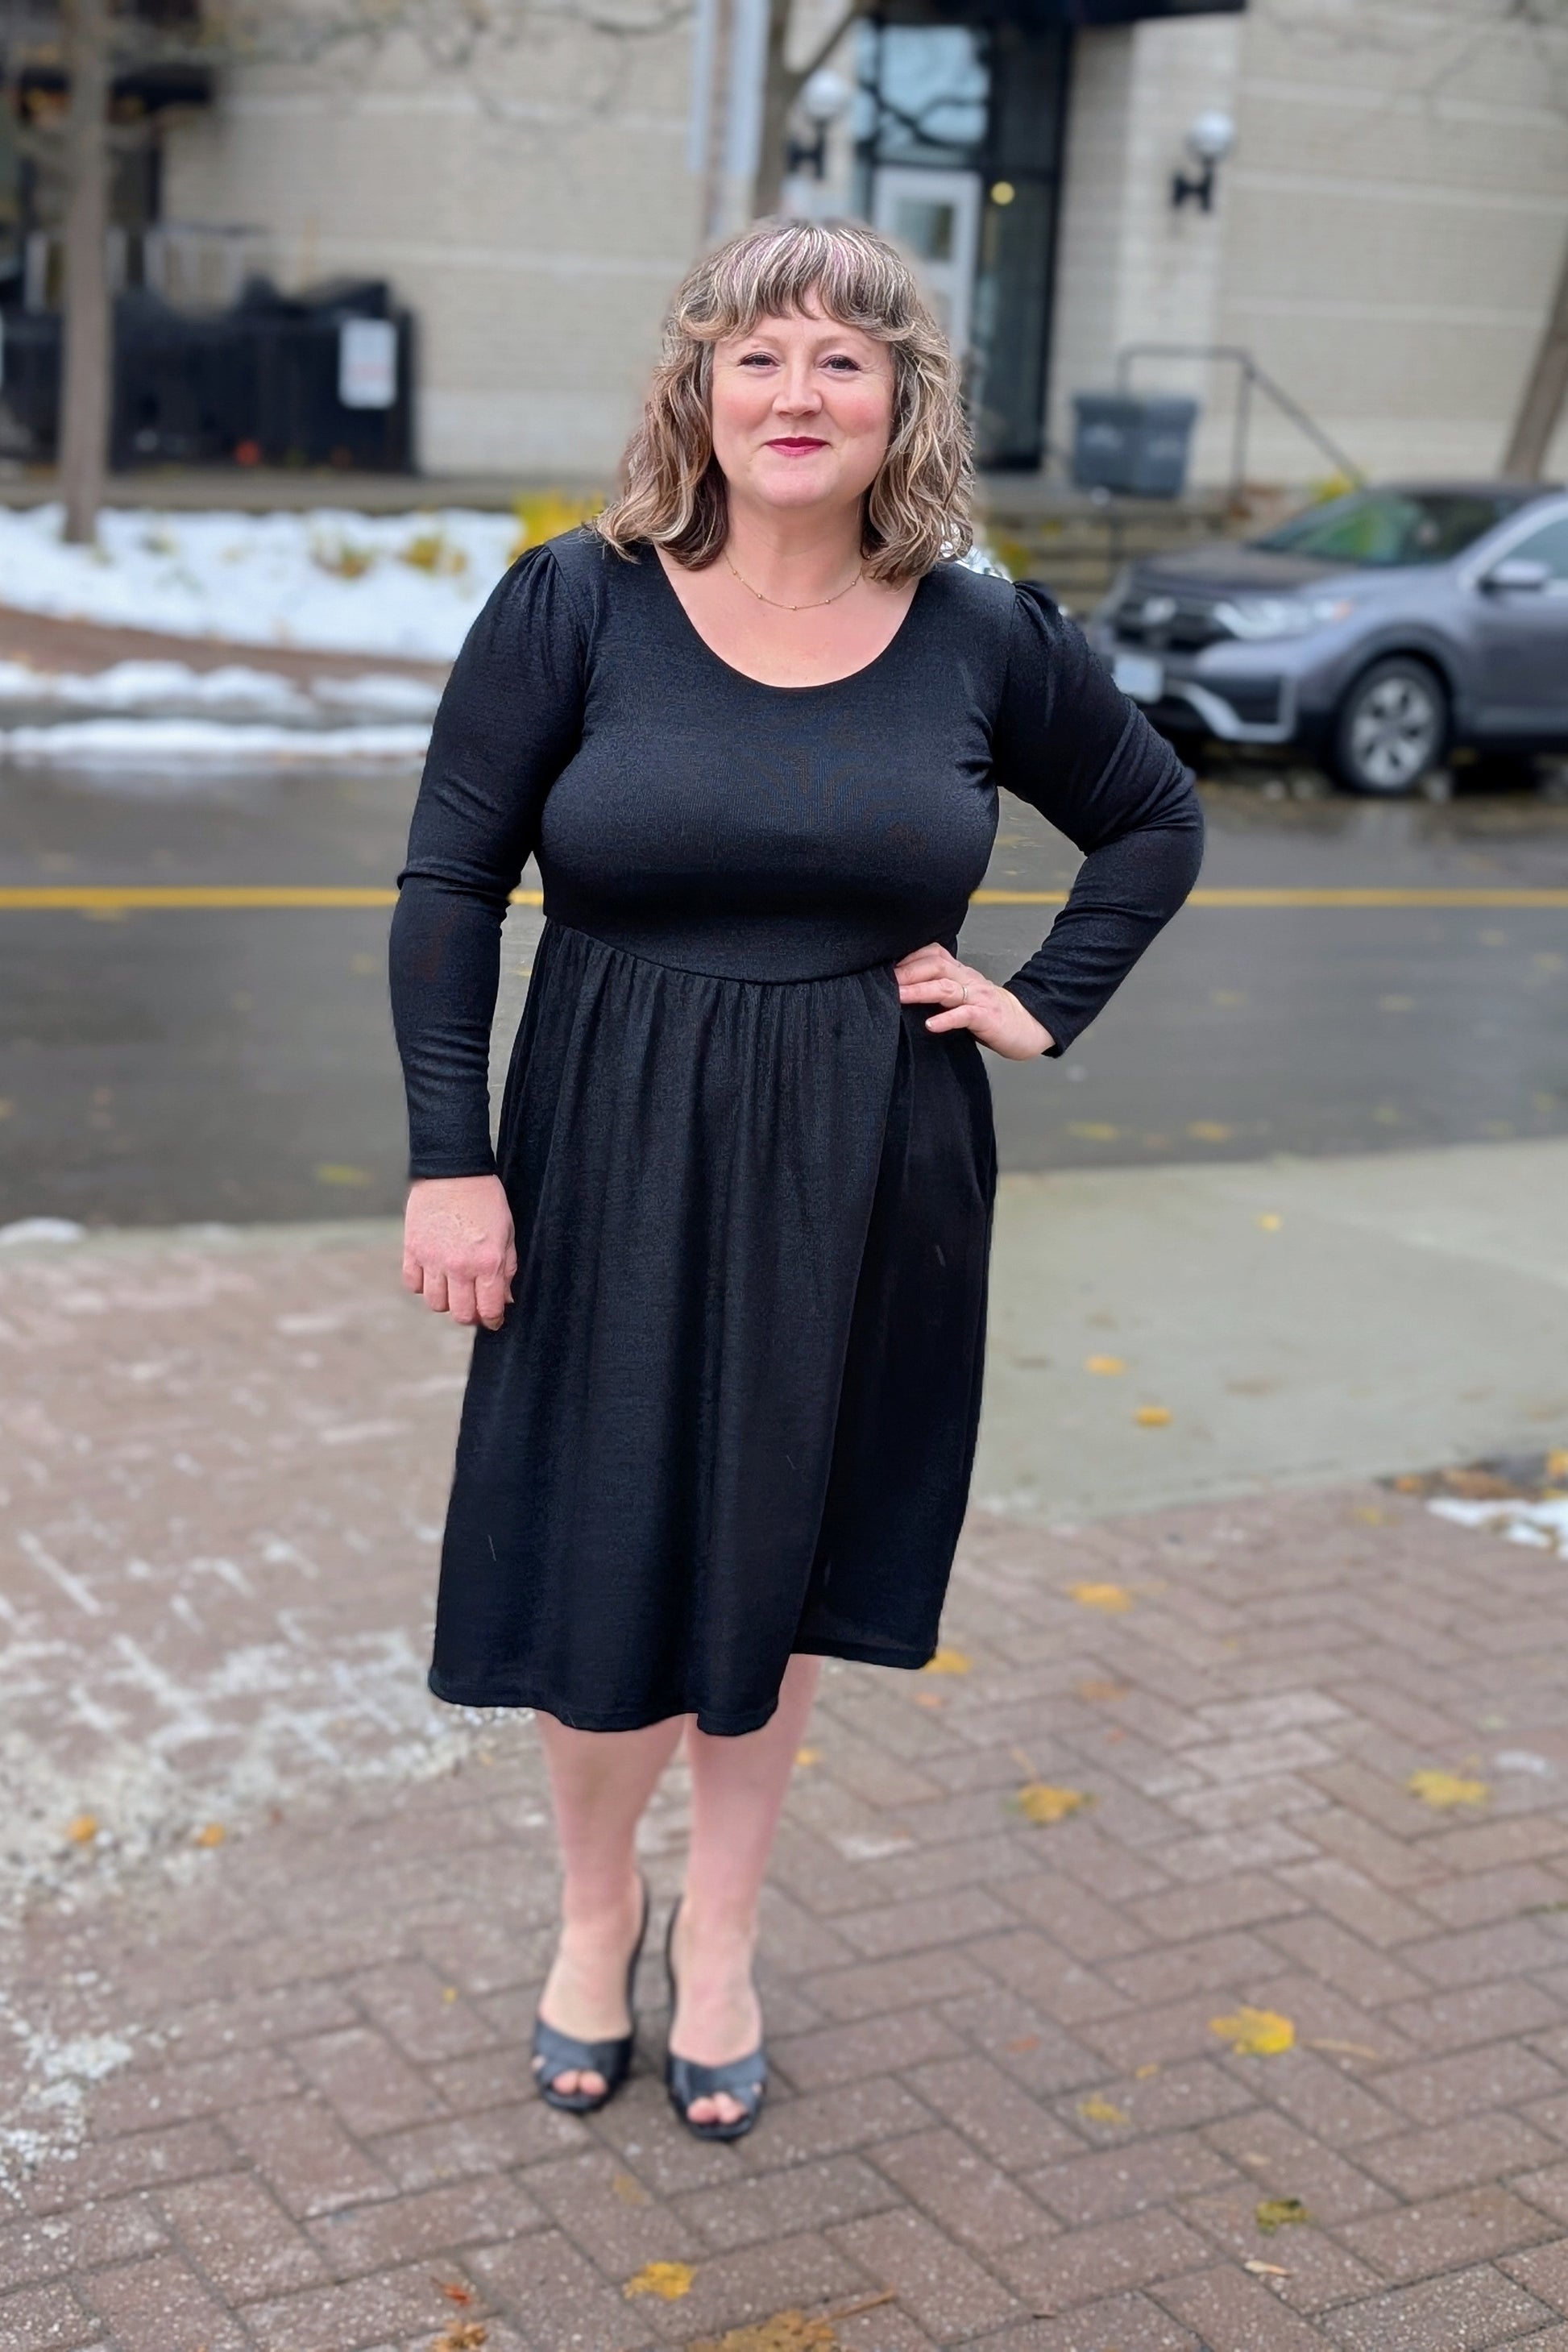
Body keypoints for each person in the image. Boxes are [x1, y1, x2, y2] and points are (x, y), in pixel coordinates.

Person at [388, 218, 1202, 2140]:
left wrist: (1039, 1002)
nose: (798, 389)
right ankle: (597, 1922)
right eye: (759, 352)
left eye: (846, 355)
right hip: (602, 1146)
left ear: (902, 398)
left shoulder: (983, 629)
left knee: (784, 1565)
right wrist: (452, 1161)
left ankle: (727, 1939)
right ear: (696, 383)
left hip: (870, 1158)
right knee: (604, 1562)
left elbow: (1151, 819)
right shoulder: (570, 604)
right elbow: (445, 892)